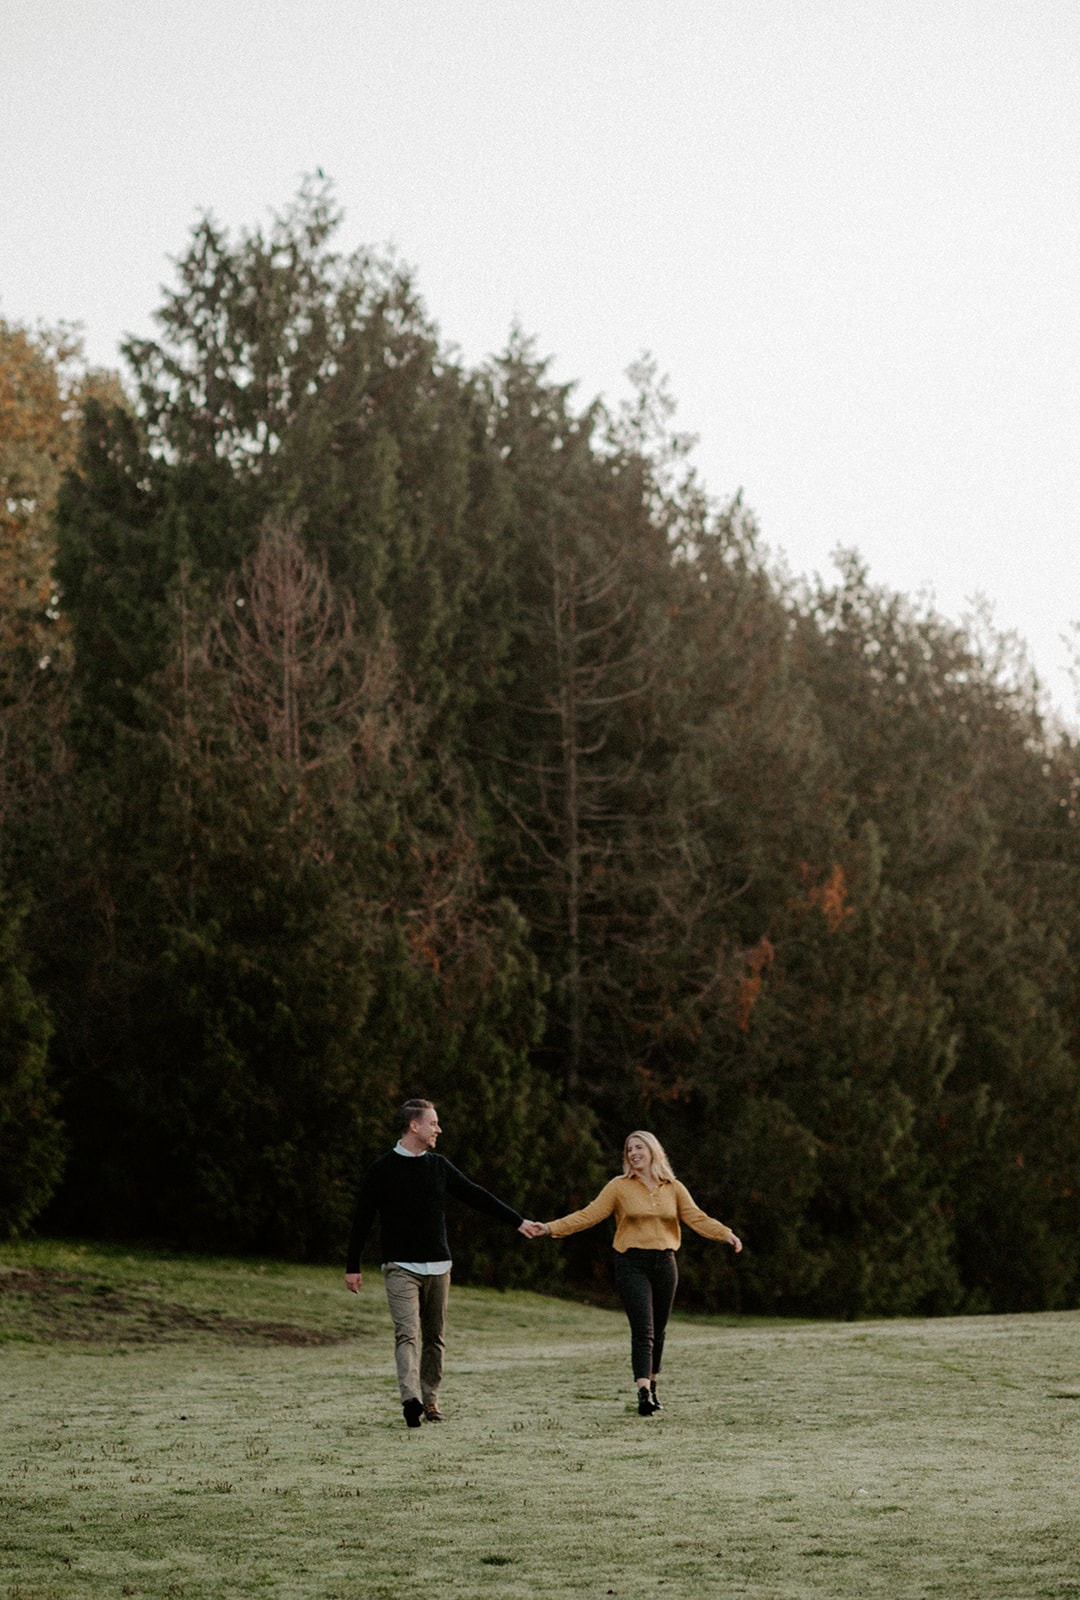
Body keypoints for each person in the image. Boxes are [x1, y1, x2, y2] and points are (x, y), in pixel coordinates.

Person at [345, 1099, 539, 1428]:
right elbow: (362, 1218)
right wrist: (353, 1265)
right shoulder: (382, 1169)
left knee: (434, 1337)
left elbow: (476, 1194)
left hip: (438, 1266)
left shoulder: (439, 1166)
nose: (439, 1129)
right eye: (433, 1123)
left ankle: (430, 1400)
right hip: (400, 1267)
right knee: (406, 1334)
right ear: (414, 1126)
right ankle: (411, 1400)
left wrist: (517, 1221)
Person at [527, 1130, 742, 1415]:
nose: (634, 1153)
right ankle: (642, 1392)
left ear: (653, 1151)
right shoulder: (619, 1186)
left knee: (660, 1329)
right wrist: (550, 1227)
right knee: (644, 1329)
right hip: (631, 1264)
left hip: (665, 1263)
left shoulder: (673, 1187)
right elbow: (588, 1214)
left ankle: (653, 1386)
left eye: (639, 1147)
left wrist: (725, 1234)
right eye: (629, 1149)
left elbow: (697, 1218)